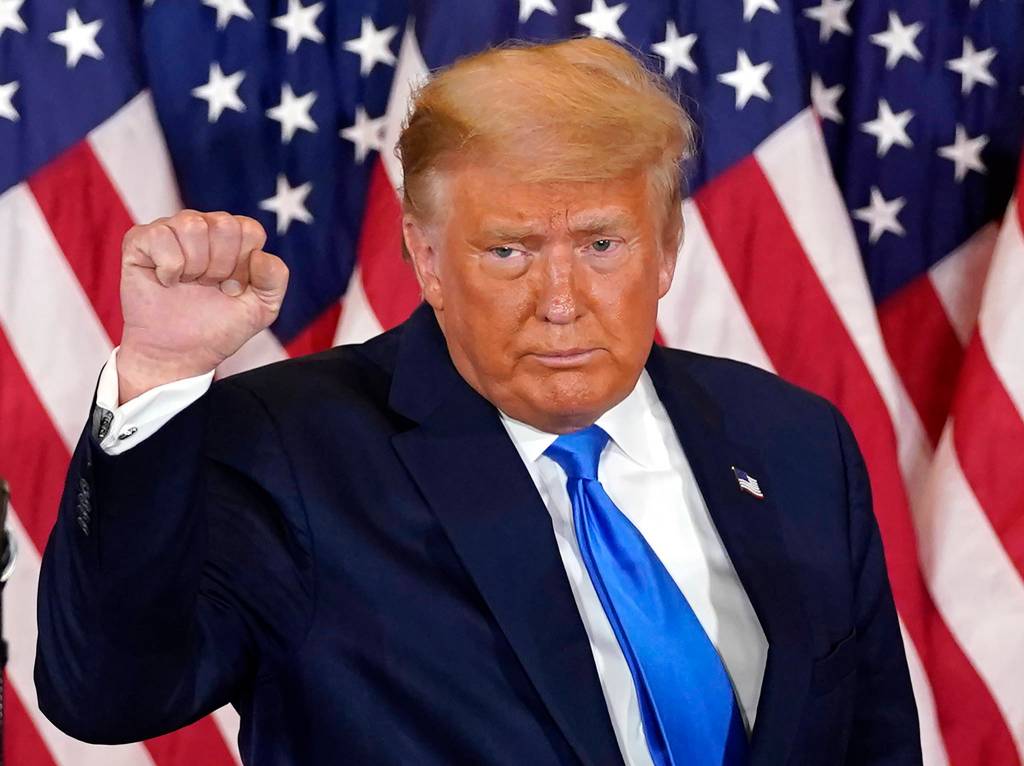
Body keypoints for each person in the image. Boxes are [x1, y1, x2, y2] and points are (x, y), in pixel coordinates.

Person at [35, 38, 921, 766]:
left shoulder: (793, 440)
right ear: (426, 260)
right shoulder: (292, 449)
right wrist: (158, 371)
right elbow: (107, 696)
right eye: (509, 251)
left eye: (602, 244)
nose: (562, 301)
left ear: (665, 250)